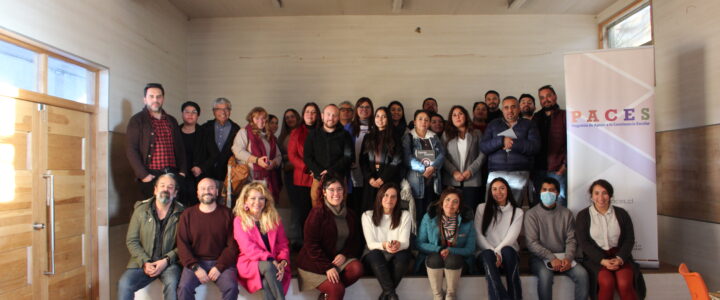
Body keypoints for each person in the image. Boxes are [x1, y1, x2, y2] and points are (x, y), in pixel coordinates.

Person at [296, 175, 364, 300]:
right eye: (331, 190)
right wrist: (327, 267)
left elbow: (355, 241)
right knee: (337, 289)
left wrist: (345, 254)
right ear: (324, 192)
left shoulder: (350, 214)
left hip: (336, 261)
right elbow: (311, 245)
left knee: (357, 268)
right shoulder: (317, 213)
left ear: (344, 192)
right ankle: (332, 292)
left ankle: (328, 296)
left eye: (339, 189)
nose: (336, 193)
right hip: (314, 263)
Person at [576, 180, 646, 300]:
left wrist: (619, 259)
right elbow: (584, 243)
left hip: (619, 257)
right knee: (607, 282)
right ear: (591, 196)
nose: (601, 197)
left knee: (624, 283)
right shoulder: (583, 215)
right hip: (596, 259)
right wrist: (602, 261)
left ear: (611, 195)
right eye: (596, 193)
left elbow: (629, 239)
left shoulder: (622, 214)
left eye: (605, 193)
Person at [118, 173, 184, 300]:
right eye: (162, 186)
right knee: (124, 284)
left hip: (169, 263)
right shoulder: (141, 210)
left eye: (170, 187)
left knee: (173, 283)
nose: (165, 189)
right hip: (142, 262)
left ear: (175, 193)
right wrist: (145, 261)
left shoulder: (183, 214)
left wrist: (166, 261)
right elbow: (132, 240)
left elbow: (184, 245)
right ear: (155, 190)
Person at [524, 177, 588, 300]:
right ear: (540, 192)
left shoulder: (566, 213)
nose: (548, 193)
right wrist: (551, 258)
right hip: (539, 258)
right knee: (545, 276)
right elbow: (532, 243)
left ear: (557, 193)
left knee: (582, 275)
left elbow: (571, 239)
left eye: (552, 190)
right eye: (544, 189)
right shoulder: (531, 214)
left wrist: (568, 258)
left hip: (564, 256)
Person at [177, 178, 239, 300]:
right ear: (197, 193)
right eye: (203, 189)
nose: (207, 191)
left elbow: (232, 245)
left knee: (231, 287)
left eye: (211, 188)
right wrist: (195, 267)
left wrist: (219, 266)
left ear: (216, 191)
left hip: (221, 262)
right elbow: (182, 244)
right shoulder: (187, 215)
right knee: (184, 288)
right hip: (196, 262)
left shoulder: (227, 214)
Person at [126, 83, 186, 199]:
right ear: (145, 99)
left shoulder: (171, 120)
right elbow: (131, 150)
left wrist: (182, 171)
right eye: (151, 96)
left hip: (172, 174)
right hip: (151, 175)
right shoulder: (137, 120)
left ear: (163, 98)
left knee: (174, 209)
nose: (155, 100)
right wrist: (143, 175)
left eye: (158, 96)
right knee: (152, 211)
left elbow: (180, 147)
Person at [233, 182, 292, 300]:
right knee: (269, 267)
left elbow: (282, 244)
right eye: (253, 198)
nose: (257, 202)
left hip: (274, 263)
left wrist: (282, 262)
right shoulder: (239, 221)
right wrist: (271, 259)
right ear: (245, 201)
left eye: (261, 198)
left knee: (267, 282)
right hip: (250, 262)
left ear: (266, 201)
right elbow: (249, 248)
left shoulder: (274, 218)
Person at [416, 187, 476, 300]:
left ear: (459, 206)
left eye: (455, 201)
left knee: (453, 259)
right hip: (433, 261)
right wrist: (438, 249)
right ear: (441, 202)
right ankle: (437, 296)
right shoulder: (429, 217)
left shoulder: (467, 222)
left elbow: (470, 248)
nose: (450, 204)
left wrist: (450, 251)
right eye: (447, 200)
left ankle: (450, 296)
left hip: (458, 263)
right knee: (434, 259)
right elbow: (419, 243)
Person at [480, 96, 540, 206]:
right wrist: (501, 141)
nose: (510, 110)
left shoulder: (529, 124)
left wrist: (513, 143)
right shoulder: (493, 124)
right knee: (492, 207)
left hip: (520, 172)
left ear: (519, 108)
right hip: (496, 172)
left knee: (514, 208)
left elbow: (535, 147)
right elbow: (484, 147)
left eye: (513, 107)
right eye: (506, 107)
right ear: (502, 109)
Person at [474, 177, 523, 300]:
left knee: (507, 251)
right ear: (490, 192)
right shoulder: (481, 208)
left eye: (502, 188)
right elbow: (478, 235)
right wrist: (493, 252)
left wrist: (498, 252)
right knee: (487, 255)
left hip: (507, 254)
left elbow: (511, 237)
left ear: (508, 190)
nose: (498, 192)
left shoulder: (517, 211)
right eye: (494, 189)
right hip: (486, 254)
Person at [361, 183, 412, 300]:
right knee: (375, 253)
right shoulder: (367, 215)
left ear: (397, 199)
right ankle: (392, 294)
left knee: (404, 256)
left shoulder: (405, 215)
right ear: (379, 197)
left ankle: (387, 295)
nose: (389, 199)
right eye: (386, 195)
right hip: (374, 258)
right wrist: (384, 245)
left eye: (393, 196)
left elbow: (405, 243)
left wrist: (398, 245)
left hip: (395, 254)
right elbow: (371, 244)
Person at [304, 104, 354, 207]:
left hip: (339, 179)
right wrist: (320, 172)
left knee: (339, 211)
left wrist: (330, 171)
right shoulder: (313, 135)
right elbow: (307, 157)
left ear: (338, 117)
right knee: (317, 211)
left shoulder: (345, 135)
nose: (331, 118)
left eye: (334, 115)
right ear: (322, 116)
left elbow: (348, 157)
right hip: (318, 179)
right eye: (328, 114)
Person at [403, 110, 446, 225]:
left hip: (433, 181)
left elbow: (442, 154)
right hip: (416, 182)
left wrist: (433, 167)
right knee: (417, 214)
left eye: (427, 120)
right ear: (414, 122)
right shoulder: (408, 137)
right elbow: (407, 157)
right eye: (420, 119)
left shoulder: (434, 137)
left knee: (431, 214)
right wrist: (424, 169)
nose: (424, 122)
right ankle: (416, 241)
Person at [232, 107, 282, 202]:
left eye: (263, 118)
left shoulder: (269, 136)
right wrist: (257, 160)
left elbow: (278, 156)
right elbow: (237, 151)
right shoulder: (244, 132)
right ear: (251, 119)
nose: (260, 120)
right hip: (250, 179)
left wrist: (274, 163)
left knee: (265, 210)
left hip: (267, 180)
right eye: (257, 118)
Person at [287, 102, 320, 249]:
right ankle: (305, 245)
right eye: (308, 112)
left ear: (318, 115)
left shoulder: (322, 131)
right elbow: (292, 155)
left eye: (313, 112)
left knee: (318, 213)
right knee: (303, 213)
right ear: (303, 114)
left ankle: (317, 242)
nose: (310, 115)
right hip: (302, 178)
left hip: (319, 178)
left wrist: (317, 169)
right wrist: (308, 168)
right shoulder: (296, 132)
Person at [359, 107, 402, 213]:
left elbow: (396, 161)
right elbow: (362, 160)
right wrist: (370, 178)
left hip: (388, 180)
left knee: (387, 211)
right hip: (371, 181)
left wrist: (383, 178)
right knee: (369, 211)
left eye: (384, 116)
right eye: (377, 116)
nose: (380, 119)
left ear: (388, 119)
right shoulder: (368, 137)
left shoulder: (395, 137)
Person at [442, 105, 485, 211]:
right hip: (452, 180)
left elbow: (483, 154)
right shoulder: (446, 135)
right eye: (454, 115)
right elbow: (442, 156)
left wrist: (470, 171)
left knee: (470, 212)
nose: (457, 117)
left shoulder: (476, 134)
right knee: (452, 212)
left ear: (466, 116)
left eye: (460, 114)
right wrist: (454, 172)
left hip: (472, 180)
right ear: (451, 119)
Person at [532, 85, 568, 204]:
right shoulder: (536, 118)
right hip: (538, 170)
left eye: (548, 96)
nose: (545, 100)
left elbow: (571, 143)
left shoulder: (564, 116)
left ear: (555, 97)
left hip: (557, 169)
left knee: (560, 201)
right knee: (539, 202)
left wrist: (565, 166)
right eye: (542, 97)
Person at [195, 97, 240, 183]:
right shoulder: (205, 128)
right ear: (213, 111)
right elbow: (198, 150)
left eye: (226, 109)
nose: (223, 112)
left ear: (230, 111)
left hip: (228, 176)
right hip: (206, 174)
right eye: (219, 109)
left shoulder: (236, 130)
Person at [345, 97, 374, 219]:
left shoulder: (375, 127)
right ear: (356, 110)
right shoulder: (348, 127)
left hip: (370, 173)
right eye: (361, 107)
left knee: (368, 209)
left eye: (367, 107)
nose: (364, 109)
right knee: (354, 208)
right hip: (352, 172)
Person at [180, 101, 202, 207]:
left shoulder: (204, 132)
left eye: (194, 112)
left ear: (198, 115)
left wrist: (201, 167)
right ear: (182, 114)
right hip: (179, 174)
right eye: (187, 112)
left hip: (197, 175)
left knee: (196, 206)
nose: (190, 115)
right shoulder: (175, 131)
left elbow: (212, 154)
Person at [278, 108, 301, 207]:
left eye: (292, 116)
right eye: (287, 118)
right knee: (289, 202)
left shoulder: (302, 133)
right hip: (287, 173)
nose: (290, 119)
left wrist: (289, 156)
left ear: (297, 117)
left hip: (300, 172)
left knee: (299, 201)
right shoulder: (282, 136)